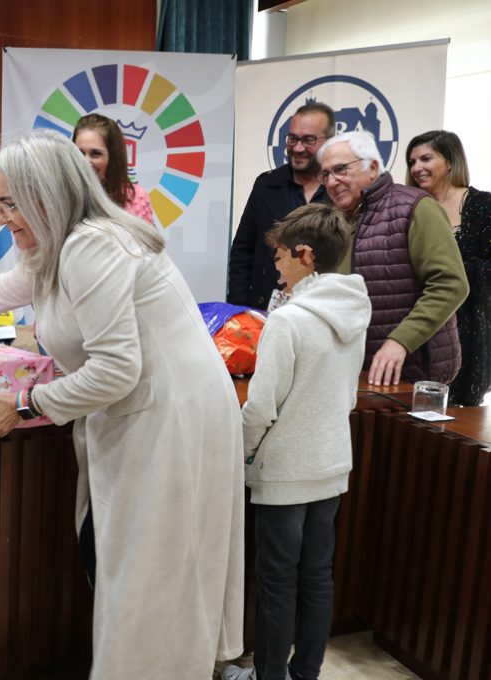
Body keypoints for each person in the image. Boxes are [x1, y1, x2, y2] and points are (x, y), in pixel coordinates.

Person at [0, 131, 244, 678]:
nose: (1, 217)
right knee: (125, 565)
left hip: (170, 418)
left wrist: (24, 403)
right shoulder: (58, 242)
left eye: (9, 204)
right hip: (146, 411)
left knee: (151, 574)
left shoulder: (92, 246)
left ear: (47, 196)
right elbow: (12, 285)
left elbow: (116, 369)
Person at [222, 204, 370, 680]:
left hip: (285, 469)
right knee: (318, 576)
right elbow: (347, 394)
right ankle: (305, 674)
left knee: (277, 580)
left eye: (281, 257)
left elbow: (261, 408)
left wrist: (242, 453)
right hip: (332, 462)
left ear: (304, 255)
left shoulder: (288, 320)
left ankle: (268, 676)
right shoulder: (355, 310)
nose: (277, 269)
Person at [317, 130, 468, 386]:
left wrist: (401, 341)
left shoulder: (415, 207)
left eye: (341, 169)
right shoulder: (331, 221)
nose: (332, 182)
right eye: (325, 174)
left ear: (373, 167)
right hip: (352, 372)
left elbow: (451, 284)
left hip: (412, 371)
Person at [406, 130, 491, 405]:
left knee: (458, 416)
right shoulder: (410, 207)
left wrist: (446, 272)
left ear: (451, 162)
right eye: (412, 162)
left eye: (425, 159)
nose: (416, 168)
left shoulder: (483, 205)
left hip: (470, 328)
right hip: (421, 324)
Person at [228, 102, 334, 310]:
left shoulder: (340, 190)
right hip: (266, 311)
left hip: (323, 310)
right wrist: (239, 311)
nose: (298, 148)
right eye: (292, 138)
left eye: (308, 140)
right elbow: (242, 252)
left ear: (328, 142)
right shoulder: (266, 185)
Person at [71, 113, 154, 222]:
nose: (85, 162)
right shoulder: (63, 196)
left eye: (95, 154)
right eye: (79, 153)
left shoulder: (136, 199)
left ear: (113, 158)